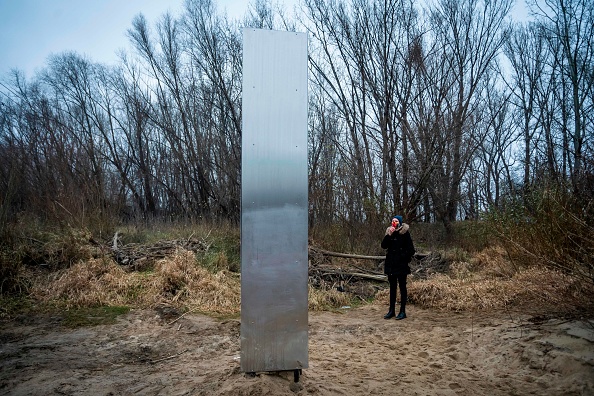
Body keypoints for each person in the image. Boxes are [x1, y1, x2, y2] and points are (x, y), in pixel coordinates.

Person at [381, 215, 415, 320]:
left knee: (402, 288)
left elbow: (411, 250)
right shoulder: (389, 232)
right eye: (392, 221)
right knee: (392, 288)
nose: (394, 223)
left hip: (401, 265)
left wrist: (402, 257)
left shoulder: (405, 233)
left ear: (399, 223)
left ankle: (402, 311)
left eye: (396, 221)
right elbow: (383, 246)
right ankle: (391, 311)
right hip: (391, 265)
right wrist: (388, 235)